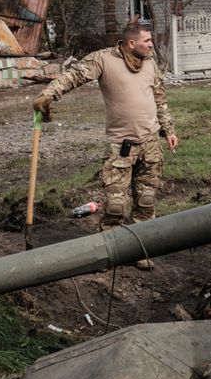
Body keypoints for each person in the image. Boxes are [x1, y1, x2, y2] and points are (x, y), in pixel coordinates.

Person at [33, 17, 179, 269]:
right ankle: (109, 252)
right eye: (147, 41)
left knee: (146, 202)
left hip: (150, 143)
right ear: (131, 43)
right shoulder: (104, 59)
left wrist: (169, 130)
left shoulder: (151, 64)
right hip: (120, 145)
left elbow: (160, 99)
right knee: (115, 205)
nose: (152, 45)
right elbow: (74, 76)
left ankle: (139, 250)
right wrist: (48, 94)